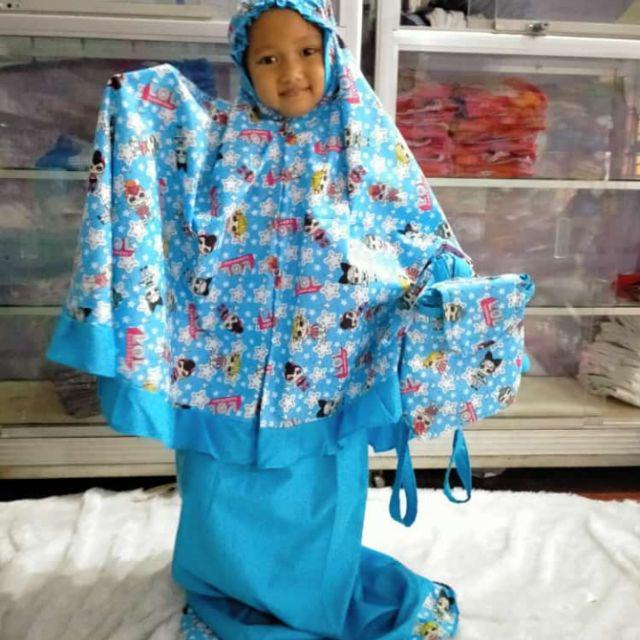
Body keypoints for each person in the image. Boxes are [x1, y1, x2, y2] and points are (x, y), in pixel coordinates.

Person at [46, 1, 533, 638]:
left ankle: (307, 598)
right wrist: (142, 102)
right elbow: (171, 166)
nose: (291, 72)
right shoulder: (221, 142)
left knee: (313, 501)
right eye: (269, 58)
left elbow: (409, 226)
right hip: (223, 374)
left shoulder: (361, 144)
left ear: (332, 53)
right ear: (245, 68)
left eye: (306, 52)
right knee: (219, 489)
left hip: (324, 376)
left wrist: (434, 288)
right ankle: (223, 581)